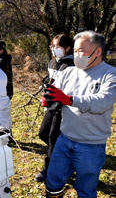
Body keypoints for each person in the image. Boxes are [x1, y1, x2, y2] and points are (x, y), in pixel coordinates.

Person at [42, 30, 116, 197]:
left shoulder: (110, 74)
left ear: (98, 51)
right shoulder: (69, 72)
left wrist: (69, 99)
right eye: (74, 51)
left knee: (85, 189)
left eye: (81, 51)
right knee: (53, 181)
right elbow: (56, 94)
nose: (76, 54)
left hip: (91, 144)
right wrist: (49, 100)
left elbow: (102, 101)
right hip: (65, 137)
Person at [35, 34, 75, 182]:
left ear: (67, 48)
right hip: (52, 106)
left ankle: (49, 170)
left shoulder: (71, 64)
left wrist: (51, 99)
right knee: (43, 134)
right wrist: (46, 87)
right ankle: (67, 159)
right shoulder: (56, 62)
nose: (54, 49)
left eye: (57, 47)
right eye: (53, 46)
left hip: (63, 107)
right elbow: (51, 80)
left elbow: (68, 89)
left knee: (53, 137)